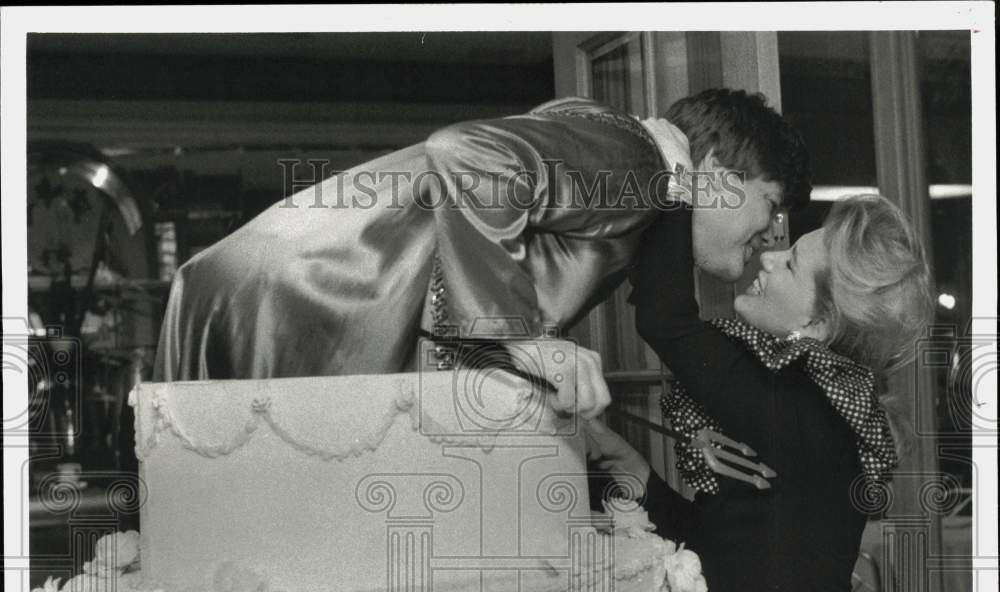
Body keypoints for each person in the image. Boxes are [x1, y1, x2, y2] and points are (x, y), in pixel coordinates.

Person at [152, 90, 810, 420]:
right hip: (300, 301)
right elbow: (470, 154)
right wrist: (525, 338)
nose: (773, 234)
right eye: (770, 205)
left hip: (269, 293)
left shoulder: (629, 165)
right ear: (718, 171)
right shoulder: (642, 163)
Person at [587, 189, 933, 592]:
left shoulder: (799, 403)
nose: (767, 258)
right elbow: (724, 547)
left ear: (818, 320)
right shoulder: (812, 408)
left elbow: (665, 318)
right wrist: (633, 472)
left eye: (792, 262)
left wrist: (675, 182)